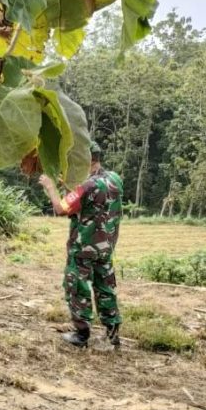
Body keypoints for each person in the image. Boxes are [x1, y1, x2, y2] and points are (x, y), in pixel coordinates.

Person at [38, 143, 124, 349]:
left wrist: (50, 186)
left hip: (84, 246)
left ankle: (81, 333)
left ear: (87, 160)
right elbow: (88, 199)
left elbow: (61, 208)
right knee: (106, 287)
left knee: (77, 287)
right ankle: (112, 332)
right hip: (105, 246)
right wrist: (68, 186)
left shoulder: (86, 186)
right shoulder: (114, 179)